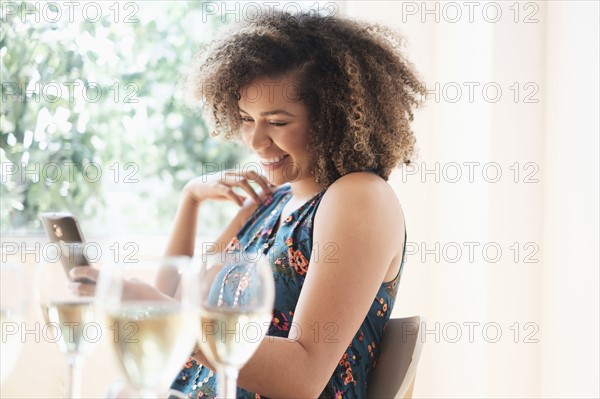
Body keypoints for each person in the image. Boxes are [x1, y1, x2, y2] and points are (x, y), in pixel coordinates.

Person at [72, 8, 425, 399]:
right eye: (245, 118)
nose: (255, 142)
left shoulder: (358, 197)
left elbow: (303, 375)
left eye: (277, 122)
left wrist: (164, 312)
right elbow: (176, 303)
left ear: (332, 118)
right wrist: (190, 200)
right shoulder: (270, 202)